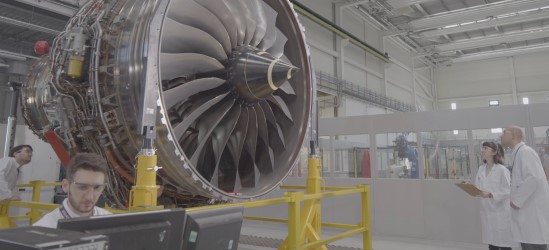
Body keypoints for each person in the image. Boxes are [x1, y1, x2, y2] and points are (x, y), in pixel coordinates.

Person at [500, 126, 549, 250]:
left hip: (532, 215)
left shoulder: (525, 152)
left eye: (504, 132)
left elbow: (533, 178)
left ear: (514, 135)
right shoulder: (519, 153)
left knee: (533, 244)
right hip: (527, 215)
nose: (501, 135)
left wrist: (517, 201)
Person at [33, 153, 111, 228]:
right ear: (66, 186)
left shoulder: (110, 222)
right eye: (82, 187)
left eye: (97, 187)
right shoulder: (45, 229)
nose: (89, 197)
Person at [474, 141, 517, 250]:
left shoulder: (502, 170)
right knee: (491, 243)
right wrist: (472, 190)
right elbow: (478, 186)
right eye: (482, 148)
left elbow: (508, 190)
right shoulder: (481, 169)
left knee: (504, 244)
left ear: (494, 152)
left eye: (485, 148)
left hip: (500, 212)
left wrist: (491, 194)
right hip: (486, 210)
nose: (482, 150)